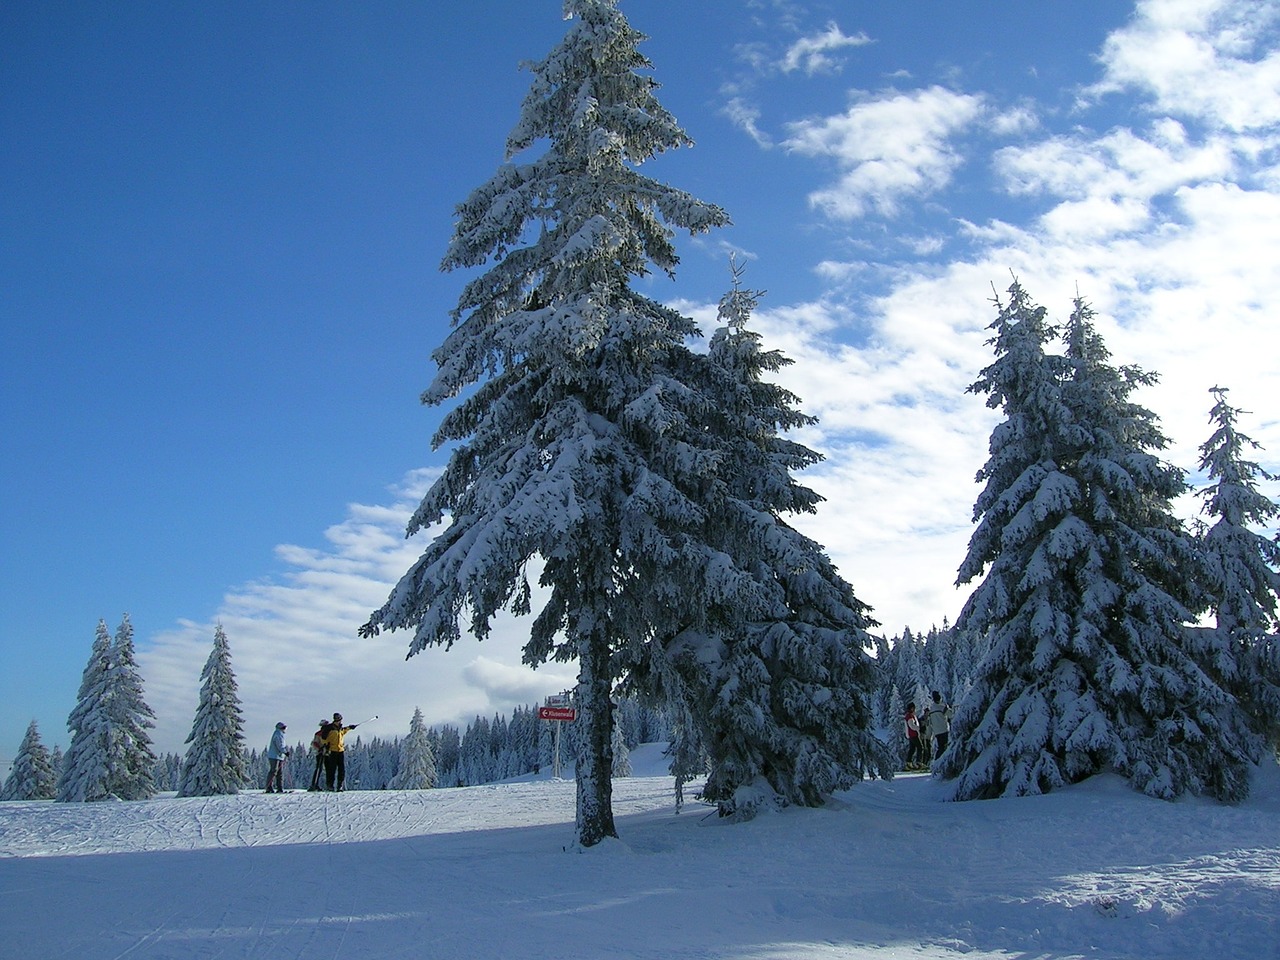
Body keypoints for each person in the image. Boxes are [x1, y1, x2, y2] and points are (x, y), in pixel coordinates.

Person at [323, 712, 359, 792]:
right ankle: (330, 785)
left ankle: (340, 785)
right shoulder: (330, 728)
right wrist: (326, 745)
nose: (339, 721)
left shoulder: (340, 729)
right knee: (332, 769)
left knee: (341, 769)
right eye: (338, 720)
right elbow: (324, 738)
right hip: (332, 751)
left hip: (340, 750)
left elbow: (345, 730)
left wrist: (350, 727)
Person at [264, 722, 290, 793]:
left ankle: (279, 788)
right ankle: (269, 787)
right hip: (274, 756)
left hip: (279, 756)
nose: (285, 729)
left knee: (279, 772)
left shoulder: (280, 734)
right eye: (284, 728)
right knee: (274, 771)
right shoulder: (278, 734)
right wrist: (285, 752)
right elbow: (279, 745)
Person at [924, 691, 952, 756]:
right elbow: (951, 714)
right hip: (944, 729)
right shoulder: (942, 708)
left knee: (940, 747)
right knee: (944, 747)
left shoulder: (931, 710)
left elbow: (929, 723)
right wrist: (948, 708)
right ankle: (940, 761)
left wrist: (929, 735)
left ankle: (938, 760)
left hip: (936, 732)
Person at [308, 719, 330, 792]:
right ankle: (314, 784)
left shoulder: (329, 733)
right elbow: (314, 743)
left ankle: (327, 785)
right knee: (319, 769)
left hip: (327, 753)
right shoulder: (318, 734)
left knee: (327, 769)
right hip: (320, 752)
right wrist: (319, 748)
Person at [903, 702, 924, 770]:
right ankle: (919, 762)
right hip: (914, 734)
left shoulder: (909, 716)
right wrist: (919, 728)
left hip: (911, 735)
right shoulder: (910, 716)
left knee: (912, 749)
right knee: (920, 747)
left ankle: (908, 762)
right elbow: (912, 726)